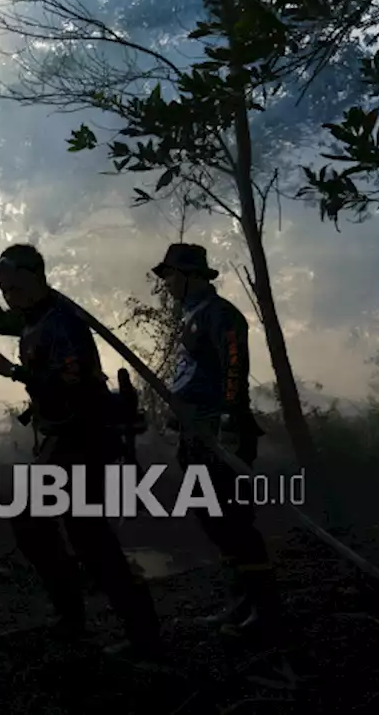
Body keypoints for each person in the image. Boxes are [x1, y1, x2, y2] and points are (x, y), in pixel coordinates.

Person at [0, 244, 161, 659]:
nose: (9, 293)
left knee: (85, 537)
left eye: (14, 285)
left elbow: (73, 385)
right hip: (62, 440)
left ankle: (138, 632)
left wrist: (16, 372)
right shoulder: (29, 317)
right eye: (4, 287)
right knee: (43, 526)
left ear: (37, 278)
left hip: (85, 439)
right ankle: (76, 617)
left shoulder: (64, 323)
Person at [153, 242, 283, 636]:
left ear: (192, 275)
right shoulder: (190, 314)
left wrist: (226, 420)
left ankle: (265, 611)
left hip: (221, 434)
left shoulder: (221, 314)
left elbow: (234, 367)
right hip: (195, 434)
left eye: (172, 275)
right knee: (214, 521)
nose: (168, 283)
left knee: (235, 522)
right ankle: (240, 602)